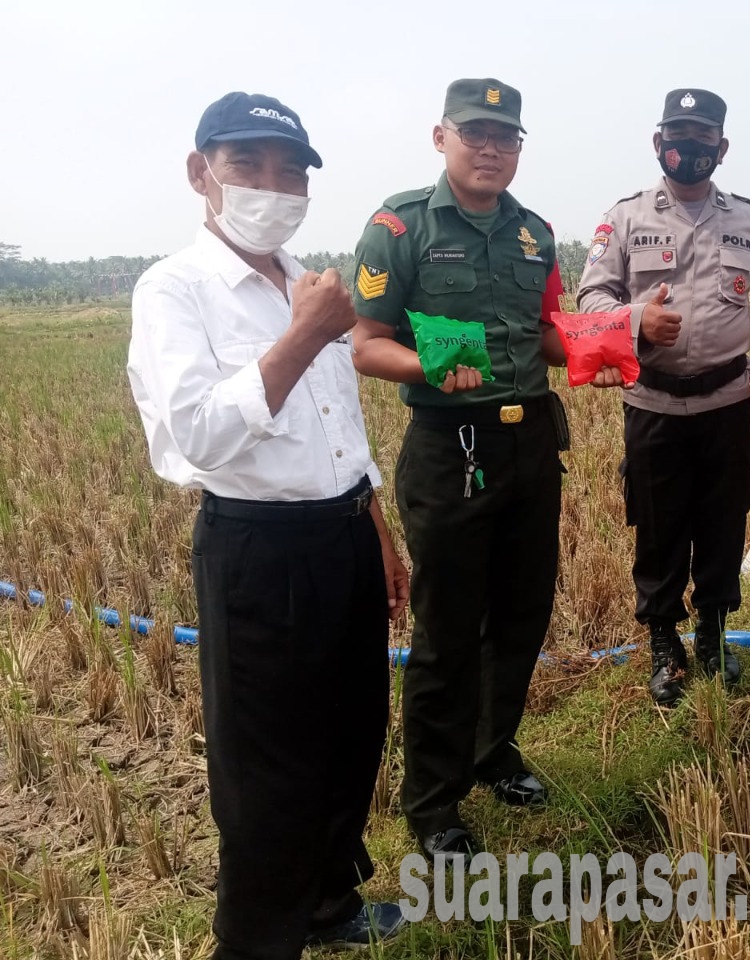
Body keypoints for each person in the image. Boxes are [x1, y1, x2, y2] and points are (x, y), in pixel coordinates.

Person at [126, 92, 409, 958]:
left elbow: (338, 428)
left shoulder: (305, 278)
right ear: (200, 172)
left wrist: (378, 528)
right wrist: (298, 339)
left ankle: (329, 906)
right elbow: (190, 440)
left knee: (350, 737)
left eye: (291, 171)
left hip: (343, 536)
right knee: (265, 774)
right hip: (258, 548)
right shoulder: (177, 289)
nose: (271, 185)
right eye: (247, 164)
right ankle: (258, 939)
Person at [349, 77, 623, 859]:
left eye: (506, 139)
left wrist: (597, 349)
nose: (491, 149)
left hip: (530, 438)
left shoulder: (534, 235)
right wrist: (426, 369)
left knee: (521, 611)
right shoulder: (397, 226)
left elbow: (543, 333)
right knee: (447, 628)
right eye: (475, 134)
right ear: (442, 138)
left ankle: (492, 749)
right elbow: (365, 343)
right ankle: (433, 801)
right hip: (448, 445)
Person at [577, 88, 750, 707]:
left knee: (723, 521)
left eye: (702, 138)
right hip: (651, 403)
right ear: (658, 144)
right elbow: (589, 297)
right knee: (658, 524)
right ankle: (663, 645)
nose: (688, 149)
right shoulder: (624, 219)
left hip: (727, 402)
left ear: (720, 147)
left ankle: (713, 632)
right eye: (677, 136)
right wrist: (634, 321)